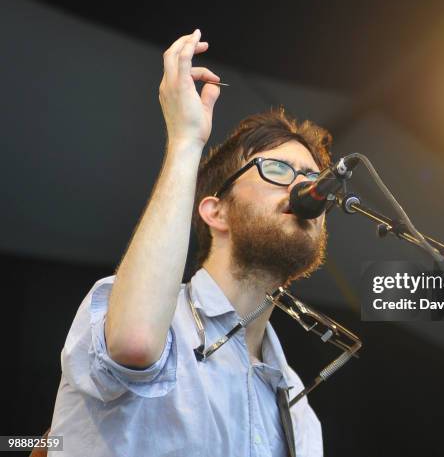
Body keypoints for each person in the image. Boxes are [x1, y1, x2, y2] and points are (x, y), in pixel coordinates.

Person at [48, 29, 332, 457]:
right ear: (214, 211)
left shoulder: (298, 406)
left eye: (313, 180)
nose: (302, 190)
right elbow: (136, 343)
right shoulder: (150, 318)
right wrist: (186, 141)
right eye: (277, 169)